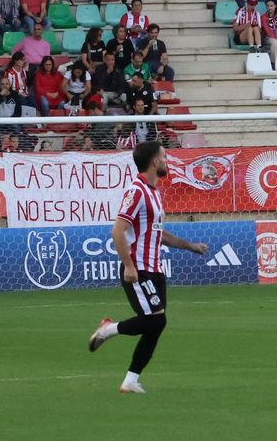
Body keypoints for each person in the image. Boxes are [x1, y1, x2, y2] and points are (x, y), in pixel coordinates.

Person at [85, 140, 210, 394]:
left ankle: (131, 380)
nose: (166, 160)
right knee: (154, 322)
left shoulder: (153, 192)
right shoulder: (137, 191)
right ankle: (109, 329)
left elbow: (158, 234)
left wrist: (190, 246)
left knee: (157, 323)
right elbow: (117, 231)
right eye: (164, 156)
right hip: (138, 269)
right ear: (154, 162)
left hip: (155, 269)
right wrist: (128, 265)